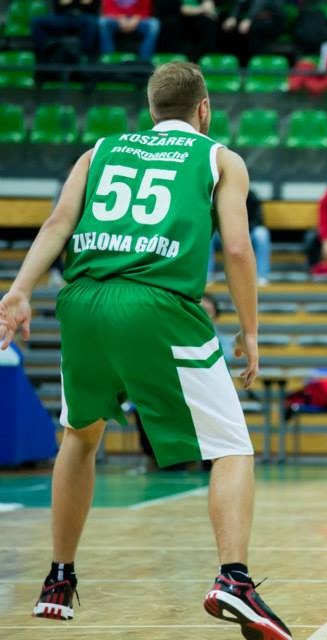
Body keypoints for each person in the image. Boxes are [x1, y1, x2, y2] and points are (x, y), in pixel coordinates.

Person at [0, 62, 290, 638]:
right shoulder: (219, 157)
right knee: (231, 446)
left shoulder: (100, 150)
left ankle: (59, 577)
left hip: (82, 300)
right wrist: (250, 330)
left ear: (151, 111)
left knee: (80, 437)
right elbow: (236, 247)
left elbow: (59, 221)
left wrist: (19, 289)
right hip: (157, 304)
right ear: (203, 109)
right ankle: (234, 579)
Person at [208, 188, 271, 285]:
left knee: (262, 234)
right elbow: (212, 220)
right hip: (223, 235)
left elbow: (258, 220)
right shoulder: (217, 196)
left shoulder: (251, 196)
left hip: (246, 234)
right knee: (208, 234)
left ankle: (261, 276)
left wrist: (242, 231)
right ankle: (207, 276)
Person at [31, 0, 99, 63]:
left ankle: (85, 55)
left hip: (84, 17)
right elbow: (58, 6)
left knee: (91, 22)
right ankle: (41, 55)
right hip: (63, 17)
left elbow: (93, 6)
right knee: (37, 22)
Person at [219, 0, 284, 66]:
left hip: (272, 19)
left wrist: (249, 18)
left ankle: (256, 65)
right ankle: (228, 65)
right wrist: (233, 16)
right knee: (226, 25)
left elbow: (261, 2)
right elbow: (240, 2)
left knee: (254, 29)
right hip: (254, 19)